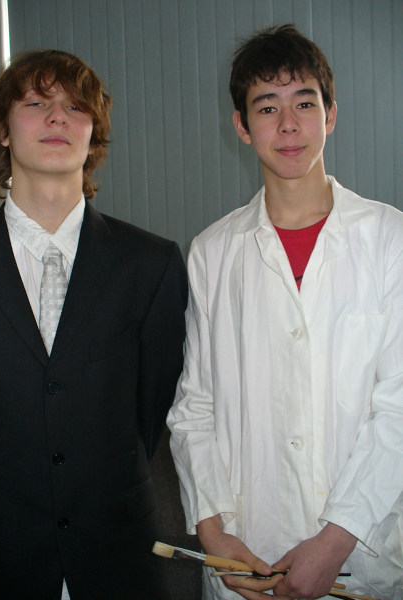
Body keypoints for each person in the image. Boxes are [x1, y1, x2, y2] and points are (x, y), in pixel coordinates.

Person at [167, 24, 402, 600]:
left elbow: (397, 408)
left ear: (331, 115)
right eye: (267, 107)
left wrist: (336, 540)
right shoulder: (213, 251)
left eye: (305, 103)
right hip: (247, 552)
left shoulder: (388, 238)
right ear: (242, 127)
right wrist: (211, 529)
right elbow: (196, 408)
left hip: (358, 556)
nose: (289, 124)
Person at [0, 49, 187, 600]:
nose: (58, 116)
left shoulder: (151, 263)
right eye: (37, 103)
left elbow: (150, 408)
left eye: (76, 107)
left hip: (120, 552)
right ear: (1, 130)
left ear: (94, 133)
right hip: (0, 552)